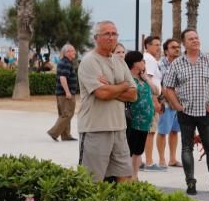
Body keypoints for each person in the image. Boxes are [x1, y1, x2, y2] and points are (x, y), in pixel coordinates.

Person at [162, 29, 209, 195]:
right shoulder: (177, 63)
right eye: (191, 39)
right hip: (185, 113)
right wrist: (176, 105)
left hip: (205, 112)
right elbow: (168, 87)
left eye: (196, 38)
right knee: (186, 148)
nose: (195, 41)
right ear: (184, 43)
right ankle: (190, 182)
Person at [77, 21, 137, 182]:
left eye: (114, 34)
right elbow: (102, 93)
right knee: (91, 181)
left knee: (124, 176)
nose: (111, 37)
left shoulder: (120, 61)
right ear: (96, 38)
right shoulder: (89, 61)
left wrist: (111, 87)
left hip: (119, 128)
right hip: (95, 129)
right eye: (107, 34)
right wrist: (123, 85)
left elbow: (133, 95)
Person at [124, 50, 157, 180]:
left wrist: (146, 78)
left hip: (145, 121)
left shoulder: (143, 79)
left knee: (138, 151)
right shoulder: (128, 79)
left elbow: (156, 91)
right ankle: (128, 176)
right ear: (134, 63)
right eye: (141, 60)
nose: (144, 63)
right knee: (130, 151)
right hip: (133, 120)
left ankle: (135, 175)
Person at [155, 39, 183, 169]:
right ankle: (161, 159)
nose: (177, 49)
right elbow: (159, 85)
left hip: (180, 103)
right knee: (162, 131)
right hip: (165, 103)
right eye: (173, 47)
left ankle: (172, 159)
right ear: (166, 51)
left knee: (175, 131)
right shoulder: (159, 65)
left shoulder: (182, 64)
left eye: (178, 47)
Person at [140, 36, 165, 171]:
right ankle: (149, 162)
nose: (158, 48)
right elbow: (148, 80)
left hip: (151, 98)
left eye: (159, 45)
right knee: (151, 131)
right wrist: (155, 101)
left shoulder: (149, 59)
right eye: (155, 45)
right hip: (151, 99)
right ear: (147, 46)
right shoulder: (149, 59)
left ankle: (145, 161)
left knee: (149, 131)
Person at [47, 44, 79, 141]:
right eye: (73, 51)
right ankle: (54, 132)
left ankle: (66, 135)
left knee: (64, 114)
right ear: (67, 52)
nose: (75, 53)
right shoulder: (66, 63)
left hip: (62, 94)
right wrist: (68, 92)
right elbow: (63, 78)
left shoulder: (65, 62)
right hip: (65, 94)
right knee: (68, 114)